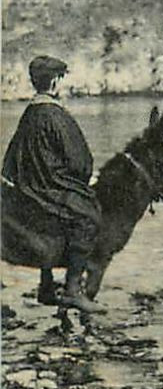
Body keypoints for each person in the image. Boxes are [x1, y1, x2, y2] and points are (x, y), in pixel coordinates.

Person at [2, 56, 102, 312]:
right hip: (50, 187)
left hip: (29, 187)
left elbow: (11, 158)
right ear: (56, 82)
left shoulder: (30, 113)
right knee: (87, 215)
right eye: (63, 79)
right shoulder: (57, 115)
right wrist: (86, 176)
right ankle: (71, 290)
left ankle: (47, 285)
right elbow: (79, 161)